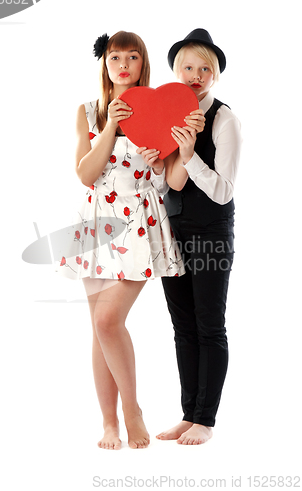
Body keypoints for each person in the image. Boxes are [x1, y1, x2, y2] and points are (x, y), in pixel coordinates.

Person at [57, 31, 204, 450]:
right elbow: (86, 174)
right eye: (114, 56)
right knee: (98, 329)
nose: (122, 64)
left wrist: (183, 149)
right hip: (96, 222)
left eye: (132, 57)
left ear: (143, 64)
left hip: (140, 222)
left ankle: (132, 409)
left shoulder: (163, 110)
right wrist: (114, 125)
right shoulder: (87, 111)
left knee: (108, 320)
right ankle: (108, 424)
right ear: (104, 64)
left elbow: (171, 180)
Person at [138, 28, 242, 445]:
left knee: (209, 325)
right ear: (175, 71)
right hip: (173, 231)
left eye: (205, 69)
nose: (196, 74)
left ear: (214, 77)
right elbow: (169, 189)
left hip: (212, 233)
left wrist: (188, 154)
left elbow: (223, 190)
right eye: (188, 67)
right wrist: (158, 167)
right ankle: (188, 413)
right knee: (182, 326)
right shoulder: (168, 117)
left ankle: (206, 420)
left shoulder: (224, 118)